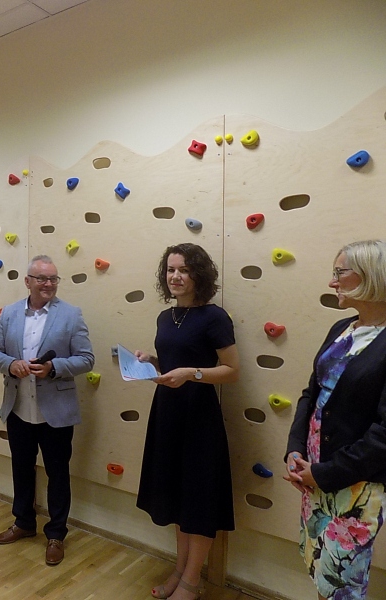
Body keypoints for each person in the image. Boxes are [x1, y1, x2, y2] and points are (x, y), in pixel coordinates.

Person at [134, 243, 239, 600]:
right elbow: (173, 363)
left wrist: (191, 373)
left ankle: (192, 581)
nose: (175, 276)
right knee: (177, 497)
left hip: (199, 417)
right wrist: (152, 361)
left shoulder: (214, 317)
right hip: (167, 413)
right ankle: (180, 571)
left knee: (199, 500)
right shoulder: (166, 317)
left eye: (183, 270)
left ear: (199, 274)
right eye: (170, 270)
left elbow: (231, 371)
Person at [284, 240, 386, 600]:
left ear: (371, 275)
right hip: (315, 473)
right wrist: (295, 449)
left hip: (354, 483)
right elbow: (311, 393)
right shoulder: (342, 327)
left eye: (340, 272)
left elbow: (384, 436)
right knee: (322, 573)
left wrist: (325, 473)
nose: (333, 282)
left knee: (342, 586)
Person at [0, 255, 94, 567]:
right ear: (28, 281)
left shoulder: (71, 315)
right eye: (42, 278)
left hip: (56, 412)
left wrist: (53, 368)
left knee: (58, 473)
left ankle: (56, 534)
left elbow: (87, 359)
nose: (48, 284)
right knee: (21, 468)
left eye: (53, 279)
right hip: (18, 407)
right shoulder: (9, 313)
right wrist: (11, 364)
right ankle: (23, 523)